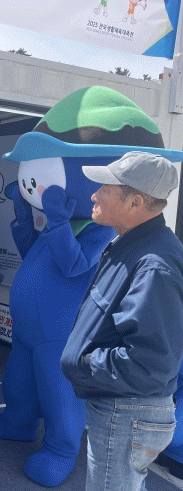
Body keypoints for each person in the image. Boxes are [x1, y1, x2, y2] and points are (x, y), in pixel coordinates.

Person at [61, 151, 183, 491]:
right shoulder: (132, 245)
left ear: (135, 202)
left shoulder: (154, 263)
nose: (93, 195)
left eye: (104, 189)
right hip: (124, 408)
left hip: (127, 411)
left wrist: (84, 363)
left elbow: (149, 362)